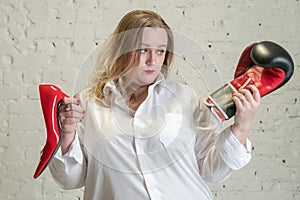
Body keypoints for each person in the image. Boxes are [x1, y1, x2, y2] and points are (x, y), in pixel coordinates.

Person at [49, 10, 260, 199]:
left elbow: (211, 170)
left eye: (160, 51)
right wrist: (67, 133)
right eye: (143, 50)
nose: (152, 60)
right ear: (122, 50)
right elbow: (70, 180)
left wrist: (241, 127)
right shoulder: (87, 105)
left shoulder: (185, 98)